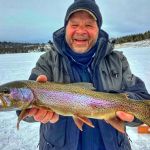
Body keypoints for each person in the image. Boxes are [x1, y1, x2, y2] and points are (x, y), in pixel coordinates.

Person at [17, 0, 150, 149]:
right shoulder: (48, 61)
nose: (81, 31)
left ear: (98, 29)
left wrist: (129, 109)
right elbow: (22, 105)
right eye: (74, 25)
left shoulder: (117, 60)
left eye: (88, 25)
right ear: (65, 27)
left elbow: (141, 96)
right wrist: (30, 113)